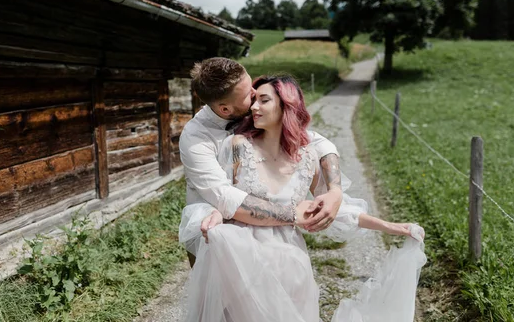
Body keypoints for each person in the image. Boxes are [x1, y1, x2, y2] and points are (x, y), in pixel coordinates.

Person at [179, 74, 427, 322]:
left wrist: (393, 227)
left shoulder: (307, 159)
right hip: (243, 261)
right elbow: (223, 194)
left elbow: (330, 208)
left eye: (263, 100)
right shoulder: (236, 145)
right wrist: (216, 212)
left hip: (290, 264)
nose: (253, 106)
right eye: (254, 100)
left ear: (286, 106)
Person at [179, 58, 345, 265]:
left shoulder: (250, 109)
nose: (255, 93)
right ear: (225, 110)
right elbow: (224, 196)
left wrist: (335, 190)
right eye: (249, 93)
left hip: (262, 235)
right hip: (212, 235)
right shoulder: (195, 138)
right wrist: (293, 214)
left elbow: (317, 142)